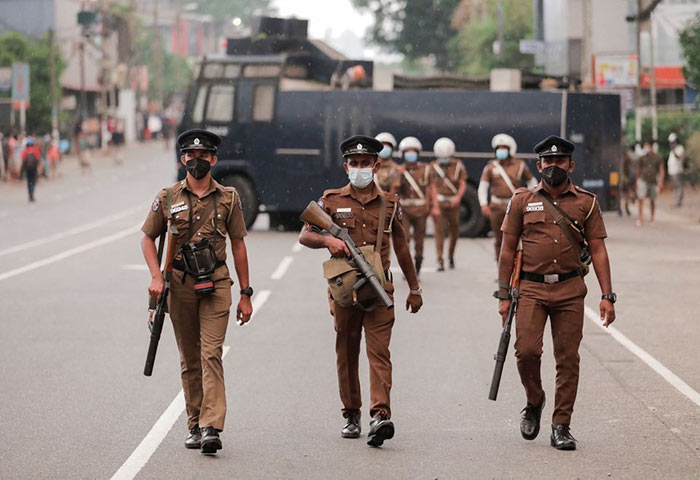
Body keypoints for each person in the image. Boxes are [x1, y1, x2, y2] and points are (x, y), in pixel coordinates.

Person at [299, 134, 423, 448]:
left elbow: (403, 247)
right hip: (345, 290)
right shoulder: (331, 201)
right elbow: (306, 235)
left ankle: (380, 415)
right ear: (345, 167)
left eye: (365, 163)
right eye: (354, 163)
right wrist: (329, 240)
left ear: (376, 165)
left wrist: (415, 288)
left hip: (380, 289)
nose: (359, 168)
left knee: (379, 353)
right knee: (347, 351)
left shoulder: (390, 203)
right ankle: (351, 414)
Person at [497, 135, 616, 451]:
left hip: (569, 290)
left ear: (571, 165)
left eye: (559, 161)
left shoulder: (586, 202)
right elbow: (507, 250)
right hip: (531, 289)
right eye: (548, 162)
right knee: (526, 352)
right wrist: (503, 295)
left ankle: (561, 425)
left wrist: (608, 295)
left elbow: (600, 251)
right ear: (539, 165)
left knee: (567, 360)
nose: (553, 166)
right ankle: (534, 399)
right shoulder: (522, 200)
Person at [141, 128, 253, 454]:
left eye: (203, 156)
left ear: (213, 160)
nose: (197, 161)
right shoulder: (167, 197)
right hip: (180, 285)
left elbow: (239, 244)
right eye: (191, 156)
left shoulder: (229, 197)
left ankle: (211, 426)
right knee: (190, 358)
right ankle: (194, 422)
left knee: (211, 354)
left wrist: (246, 292)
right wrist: (155, 277)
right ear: (182, 159)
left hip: (217, 283)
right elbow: (148, 238)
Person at [479, 134, 537, 261]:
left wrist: (531, 198)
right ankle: (501, 270)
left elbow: (532, 181)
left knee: (516, 239)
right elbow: (483, 186)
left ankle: (516, 269)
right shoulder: (491, 167)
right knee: (499, 240)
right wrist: (484, 204)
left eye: (504, 148)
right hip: (496, 207)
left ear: (511, 149)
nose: (501, 151)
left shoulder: (520, 165)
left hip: (514, 207)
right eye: (499, 148)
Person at [391, 136, 439, 275]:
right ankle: (407, 269)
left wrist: (434, 207)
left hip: (421, 210)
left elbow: (431, 189)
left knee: (419, 242)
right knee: (404, 239)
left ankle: (417, 266)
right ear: (403, 153)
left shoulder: (426, 169)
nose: (410, 154)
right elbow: (394, 191)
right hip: (404, 210)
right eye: (407, 151)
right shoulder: (400, 171)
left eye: (413, 151)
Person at [430, 137, 467, 271]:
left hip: (453, 203)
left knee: (454, 231)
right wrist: (434, 206)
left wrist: (458, 198)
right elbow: (431, 186)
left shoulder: (458, 165)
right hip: (439, 203)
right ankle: (440, 260)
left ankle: (450, 256)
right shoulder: (433, 166)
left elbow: (463, 183)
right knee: (439, 232)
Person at [635, 140, 664, 227]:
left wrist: (660, 182)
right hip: (643, 180)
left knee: (652, 200)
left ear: (651, 147)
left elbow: (661, 170)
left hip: (653, 181)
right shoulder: (642, 158)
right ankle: (640, 219)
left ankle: (652, 218)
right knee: (641, 199)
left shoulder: (657, 157)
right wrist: (637, 181)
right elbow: (638, 170)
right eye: (645, 146)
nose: (646, 148)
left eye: (647, 146)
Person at [20, 137, 42, 202]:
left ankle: (30, 194)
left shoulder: (25, 152)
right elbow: (38, 160)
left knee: (29, 182)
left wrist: (21, 172)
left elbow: (23, 161)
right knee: (33, 182)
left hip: (27, 169)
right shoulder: (36, 151)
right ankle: (32, 194)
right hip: (34, 169)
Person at [667, 133, 685, 207]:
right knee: (675, 187)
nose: (671, 144)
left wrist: (673, 150)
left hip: (677, 171)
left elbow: (678, 157)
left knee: (679, 186)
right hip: (671, 171)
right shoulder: (672, 150)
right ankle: (677, 200)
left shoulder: (680, 148)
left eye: (672, 142)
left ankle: (678, 201)